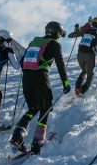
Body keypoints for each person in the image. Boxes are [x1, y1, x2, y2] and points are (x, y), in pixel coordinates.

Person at [11, 21, 72, 153]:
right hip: (40, 78)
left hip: (26, 78)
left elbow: (22, 60)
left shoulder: (34, 42)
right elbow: (61, 64)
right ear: (57, 33)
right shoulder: (55, 44)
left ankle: (17, 136)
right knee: (45, 108)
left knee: (33, 108)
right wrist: (66, 83)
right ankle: (37, 142)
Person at [69, 17, 97, 96]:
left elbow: (70, 35)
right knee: (90, 75)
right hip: (89, 54)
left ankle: (77, 88)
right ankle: (81, 92)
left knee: (83, 71)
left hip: (80, 54)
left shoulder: (86, 31)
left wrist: (77, 31)